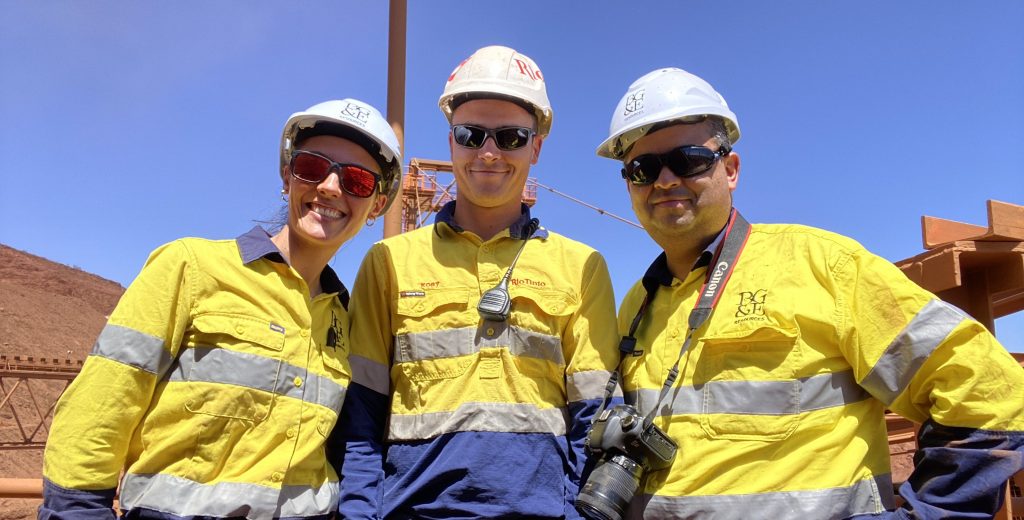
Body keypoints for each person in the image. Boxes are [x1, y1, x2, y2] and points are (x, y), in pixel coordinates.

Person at [592, 67, 1024, 519]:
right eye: (642, 169)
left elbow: (990, 394)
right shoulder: (638, 305)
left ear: (731, 169)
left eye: (688, 160)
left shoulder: (823, 266)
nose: (664, 181)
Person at [40, 98, 403, 519]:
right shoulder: (191, 267)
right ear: (287, 175)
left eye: (357, 180)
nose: (330, 187)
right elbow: (97, 412)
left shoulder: (344, 317)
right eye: (313, 167)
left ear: (376, 205)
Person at [337, 45, 620, 519]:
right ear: (451, 143)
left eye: (510, 137)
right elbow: (361, 416)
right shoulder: (388, 261)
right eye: (471, 135)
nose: (488, 153)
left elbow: (593, 421)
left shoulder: (582, 266)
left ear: (537, 147)